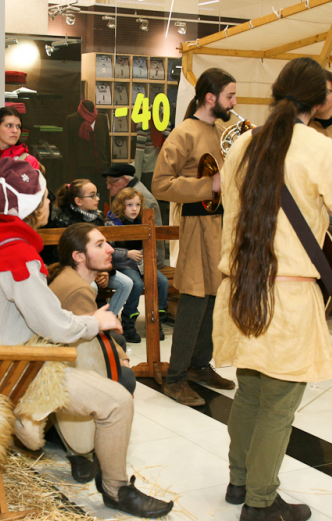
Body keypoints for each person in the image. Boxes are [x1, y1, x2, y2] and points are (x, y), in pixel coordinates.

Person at [0, 157, 173, 518]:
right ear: (32, 206)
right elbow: (55, 327)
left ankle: (46, 434)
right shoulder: (16, 255)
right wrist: (96, 322)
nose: (50, 202)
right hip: (4, 371)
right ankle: (115, 490)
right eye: (44, 197)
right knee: (117, 401)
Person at [213, 57, 332, 521]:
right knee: (278, 404)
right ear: (322, 99)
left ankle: (239, 480)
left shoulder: (242, 146)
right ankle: (260, 503)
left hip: (238, 291)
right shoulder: (319, 149)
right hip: (286, 296)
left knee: (248, 391)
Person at [151, 68, 237, 407]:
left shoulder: (220, 131)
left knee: (216, 298)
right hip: (196, 226)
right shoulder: (184, 133)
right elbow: (160, 184)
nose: (235, 102)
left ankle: (200, 365)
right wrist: (207, 186)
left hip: (220, 226)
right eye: (230, 95)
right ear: (210, 98)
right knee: (194, 299)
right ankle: (175, 376)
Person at [48, 222, 136, 483]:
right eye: (99, 245)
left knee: (117, 341)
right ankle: (76, 446)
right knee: (125, 379)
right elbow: (87, 349)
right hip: (56, 368)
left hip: (59, 355)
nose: (109, 249)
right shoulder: (77, 289)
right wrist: (124, 361)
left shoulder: (69, 276)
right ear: (79, 257)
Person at [49, 179, 133, 318]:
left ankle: (107, 321)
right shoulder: (60, 220)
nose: (97, 199)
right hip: (74, 269)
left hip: (95, 267)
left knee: (126, 283)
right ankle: (89, 322)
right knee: (91, 286)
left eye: (97, 194)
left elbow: (105, 249)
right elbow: (63, 256)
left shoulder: (97, 218)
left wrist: (105, 271)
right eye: (92, 195)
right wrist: (95, 271)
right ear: (78, 201)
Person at [105, 188, 170, 342]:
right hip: (125, 263)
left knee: (162, 282)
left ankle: (156, 322)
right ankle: (128, 324)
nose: (134, 209)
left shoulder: (144, 220)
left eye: (137, 205)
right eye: (129, 205)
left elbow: (151, 243)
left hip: (143, 262)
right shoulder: (112, 223)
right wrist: (127, 253)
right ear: (121, 206)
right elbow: (109, 250)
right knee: (136, 284)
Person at [103, 164, 165, 269]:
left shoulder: (139, 196)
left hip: (147, 260)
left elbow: (146, 235)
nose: (108, 186)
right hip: (131, 258)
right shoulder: (129, 194)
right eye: (107, 182)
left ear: (125, 181)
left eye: (111, 182)